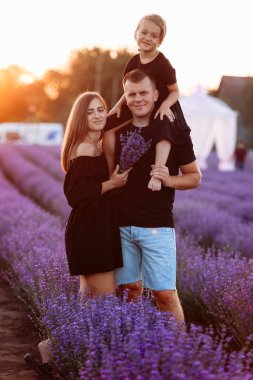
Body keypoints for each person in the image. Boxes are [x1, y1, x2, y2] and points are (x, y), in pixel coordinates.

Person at [24, 91, 130, 377]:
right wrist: (112, 183)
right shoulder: (84, 149)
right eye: (90, 112)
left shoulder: (92, 144)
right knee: (106, 302)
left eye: (101, 110)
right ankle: (92, 362)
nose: (97, 116)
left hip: (94, 229)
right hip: (91, 232)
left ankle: (52, 349)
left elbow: (114, 117)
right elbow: (77, 196)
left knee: (89, 301)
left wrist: (125, 99)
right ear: (80, 118)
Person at [113, 69, 202, 325]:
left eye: (143, 93)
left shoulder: (175, 132)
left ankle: (178, 356)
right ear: (125, 97)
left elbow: (194, 177)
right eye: (131, 94)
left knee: (164, 294)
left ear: (155, 95)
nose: (137, 99)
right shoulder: (119, 131)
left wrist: (168, 180)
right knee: (129, 292)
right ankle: (130, 352)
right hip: (121, 226)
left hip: (157, 226)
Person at [103, 13, 191, 192]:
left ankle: (157, 174)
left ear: (160, 41)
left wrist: (166, 105)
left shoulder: (163, 64)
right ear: (135, 33)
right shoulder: (132, 62)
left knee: (163, 126)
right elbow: (129, 91)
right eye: (144, 32)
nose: (147, 38)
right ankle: (110, 169)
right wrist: (119, 104)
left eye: (154, 35)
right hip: (139, 103)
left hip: (163, 104)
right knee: (108, 124)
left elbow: (175, 91)